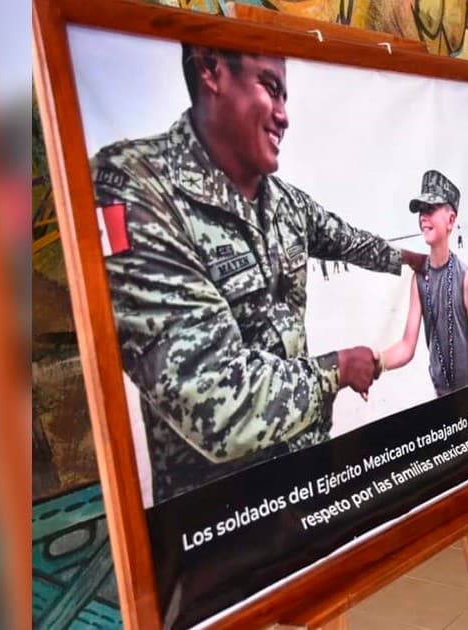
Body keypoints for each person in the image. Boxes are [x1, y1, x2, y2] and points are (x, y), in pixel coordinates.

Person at [89, 44, 428, 503]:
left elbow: (347, 240)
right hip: (228, 514)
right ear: (210, 69)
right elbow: (215, 399)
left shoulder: (286, 203)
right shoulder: (137, 186)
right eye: (270, 88)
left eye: (285, 96)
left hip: (309, 473)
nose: (283, 116)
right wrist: (338, 369)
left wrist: (410, 260)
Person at [381, 170, 468, 397]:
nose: (423, 216)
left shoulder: (465, 279)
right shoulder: (419, 280)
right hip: (440, 394)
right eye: (421, 210)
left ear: (451, 220)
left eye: (430, 208)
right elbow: (406, 346)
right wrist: (376, 362)